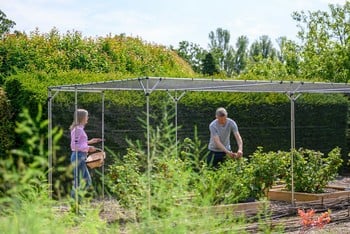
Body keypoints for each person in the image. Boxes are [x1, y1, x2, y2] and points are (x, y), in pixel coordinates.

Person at [70, 108, 102, 199]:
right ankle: (75, 204)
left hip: (81, 156)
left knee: (86, 181)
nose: (88, 118)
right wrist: (88, 148)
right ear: (82, 117)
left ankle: (77, 202)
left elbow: (79, 143)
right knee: (80, 182)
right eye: (87, 116)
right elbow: (74, 145)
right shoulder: (78, 129)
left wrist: (90, 142)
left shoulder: (79, 129)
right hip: (78, 156)